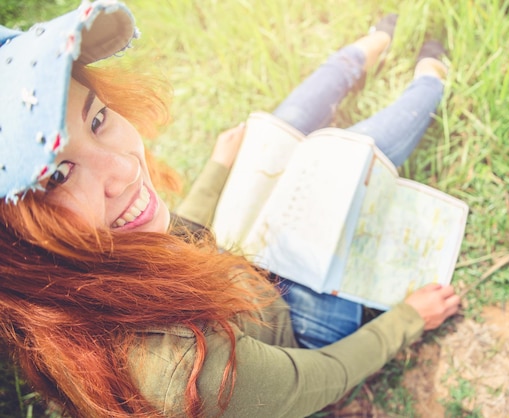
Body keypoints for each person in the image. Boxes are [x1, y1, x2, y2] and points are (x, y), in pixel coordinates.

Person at [0, 1, 461, 417]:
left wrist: (219, 167)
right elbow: (322, 376)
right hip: (299, 330)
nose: (124, 168)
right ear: (18, 247)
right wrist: (407, 320)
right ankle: (432, 73)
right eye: (58, 175)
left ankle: (373, 43)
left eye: (97, 119)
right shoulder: (186, 369)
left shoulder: (89, 272)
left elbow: (177, 234)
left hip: (242, 279)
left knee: (279, 127)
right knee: (349, 157)